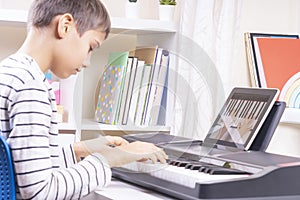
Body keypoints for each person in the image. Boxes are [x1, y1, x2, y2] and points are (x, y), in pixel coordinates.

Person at [0, 0, 167, 199]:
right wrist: (109, 158)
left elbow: (20, 167)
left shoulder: (11, 72)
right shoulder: (31, 85)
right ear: (65, 26)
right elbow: (40, 192)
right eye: (90, 47)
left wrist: (79, 150)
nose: (87, 62)